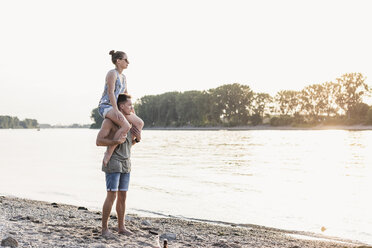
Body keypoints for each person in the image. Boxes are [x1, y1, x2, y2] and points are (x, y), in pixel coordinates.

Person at [96, 93, 140, 236]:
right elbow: (99, 141)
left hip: (126, 163)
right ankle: (104, 229)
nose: (132, 108)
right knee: (112, 195)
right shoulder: (109, 121)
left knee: (123, 195)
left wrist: (136, 140)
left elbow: (127, 145)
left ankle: (121, 227)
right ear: (121, 106)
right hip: (113, 162)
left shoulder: (129, 123)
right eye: (129, 105)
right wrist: (114, 142)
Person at [98, 50, 144, 166]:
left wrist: (131, 108)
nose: (128, 62)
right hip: (106, 106)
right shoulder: (112, 74)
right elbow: (110, 92)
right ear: (118, 61)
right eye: (125, 60)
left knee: (139, 123)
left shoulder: (123, 77)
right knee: (126, 125)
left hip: (118, 107)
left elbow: (125, 94)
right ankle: (108, 153)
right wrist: (116, 110)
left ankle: (130, 145)